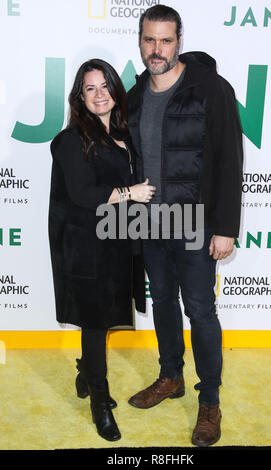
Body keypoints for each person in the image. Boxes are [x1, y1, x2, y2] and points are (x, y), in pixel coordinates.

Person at [127, 5, 243, 447]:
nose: (157, 50)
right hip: (152, 224)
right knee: (163, 306)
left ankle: (209, 400)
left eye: (166, 40)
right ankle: (170, 376)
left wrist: (225, 227)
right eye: (149, 40)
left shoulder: (210, 88)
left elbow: (230, 160)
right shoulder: (136, 94)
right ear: (140, 41)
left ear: (179, 41)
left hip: (196, 224)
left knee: (201, 311)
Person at [48, 58, 155, 442]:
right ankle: (99, 401)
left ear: (115, 89)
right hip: (85, 245)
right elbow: (81, 194)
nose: (99, 95)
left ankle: (84, 370)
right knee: (95, 324)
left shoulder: (126, 132)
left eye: (104, 85)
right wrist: (130, 193)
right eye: (89, 88)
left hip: (118, 242)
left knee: (106, 317)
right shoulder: (70, 139)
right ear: (80, 96)